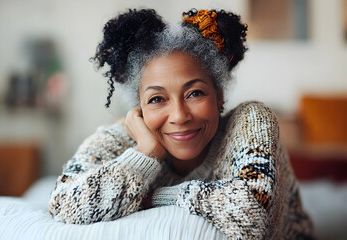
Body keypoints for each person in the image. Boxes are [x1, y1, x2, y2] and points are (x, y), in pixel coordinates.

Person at [48, 8, 314, 239]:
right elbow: (63, 205)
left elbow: (253, 217)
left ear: (219, 95)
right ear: (138, 108)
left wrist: (157, 196)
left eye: (195, 93)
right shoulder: (119, 138)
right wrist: (146, 153)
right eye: (156, 99)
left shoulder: (252, 121)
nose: (179, 116)